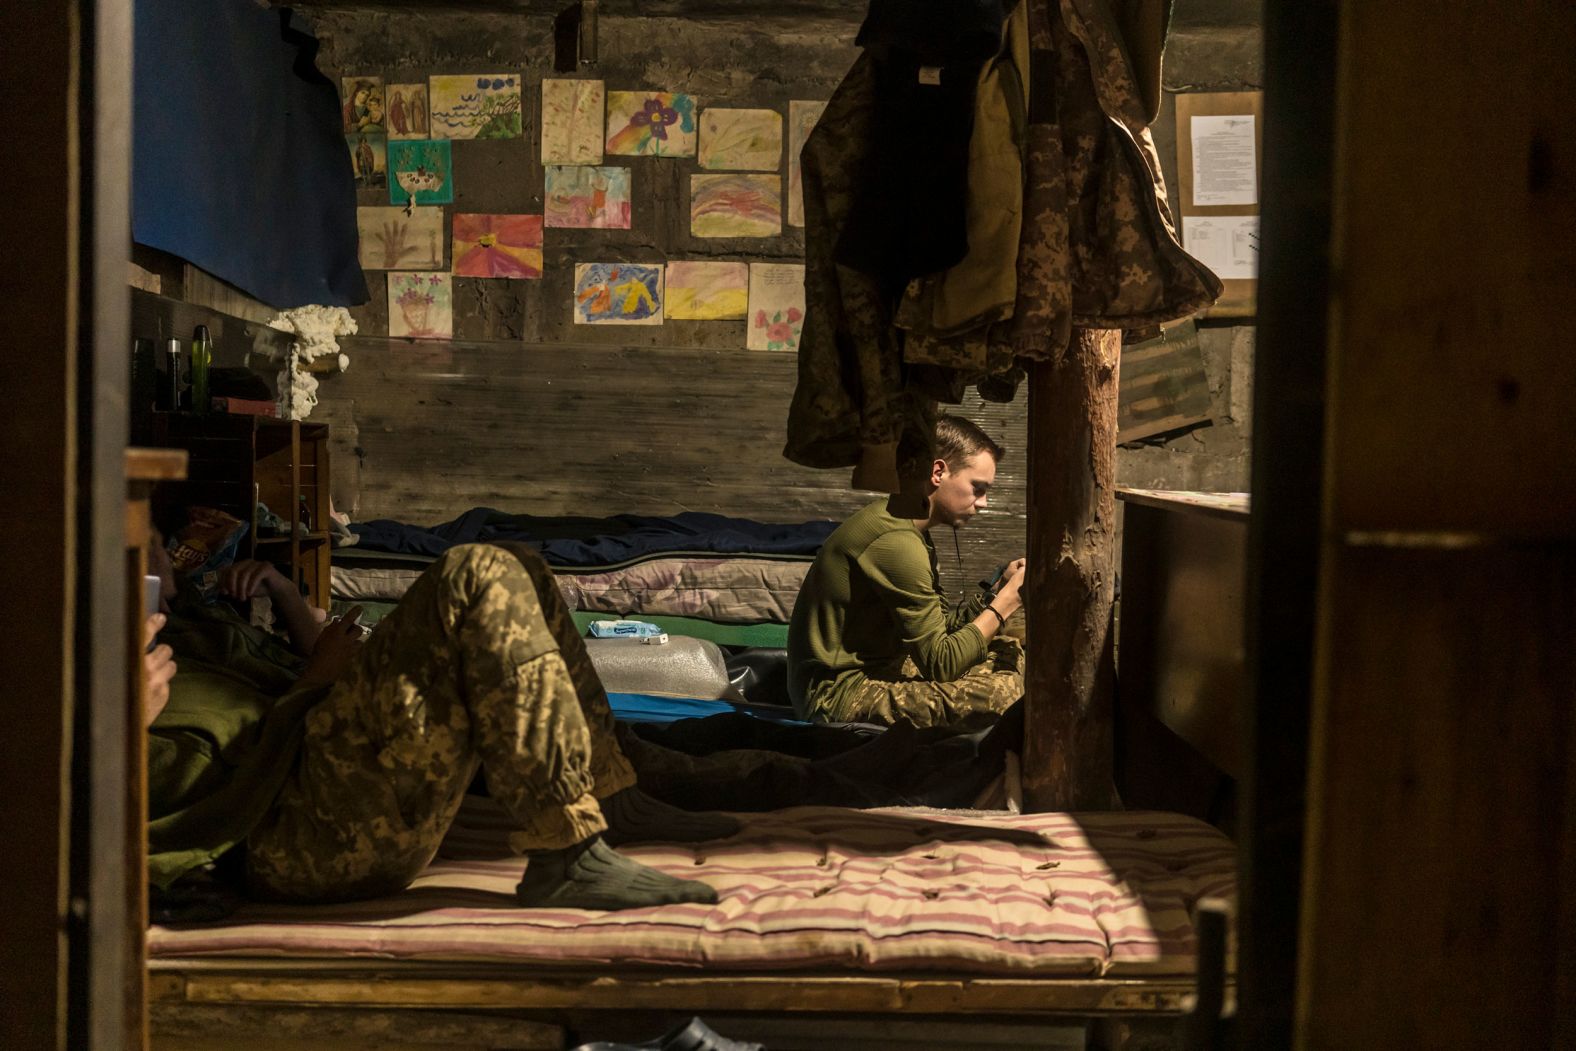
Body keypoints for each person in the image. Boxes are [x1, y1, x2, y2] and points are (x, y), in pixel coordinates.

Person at [144, 536, 734, 913]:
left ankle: (611, 799)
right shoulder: (105, 667)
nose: (157, 549)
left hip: (324, 761)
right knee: (474, 571)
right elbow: (233, 771)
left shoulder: (187, 625)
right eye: (140, 544)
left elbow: (282, 674)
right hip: (294, 835)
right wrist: (318, 681)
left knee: (518, 564)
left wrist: (281, 595)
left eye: (152, 540)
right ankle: (566, 851)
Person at [786, 415, 1026, 730]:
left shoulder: (910, 530)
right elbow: (943, 662)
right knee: (1006, 695)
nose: (983, 503)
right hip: (836, 694)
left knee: (1009, 651)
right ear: (938, 472)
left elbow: (942, 632)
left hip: (884, 665)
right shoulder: (896, 542)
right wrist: (1007, 602)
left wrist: (998, 590)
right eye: (977, 488)